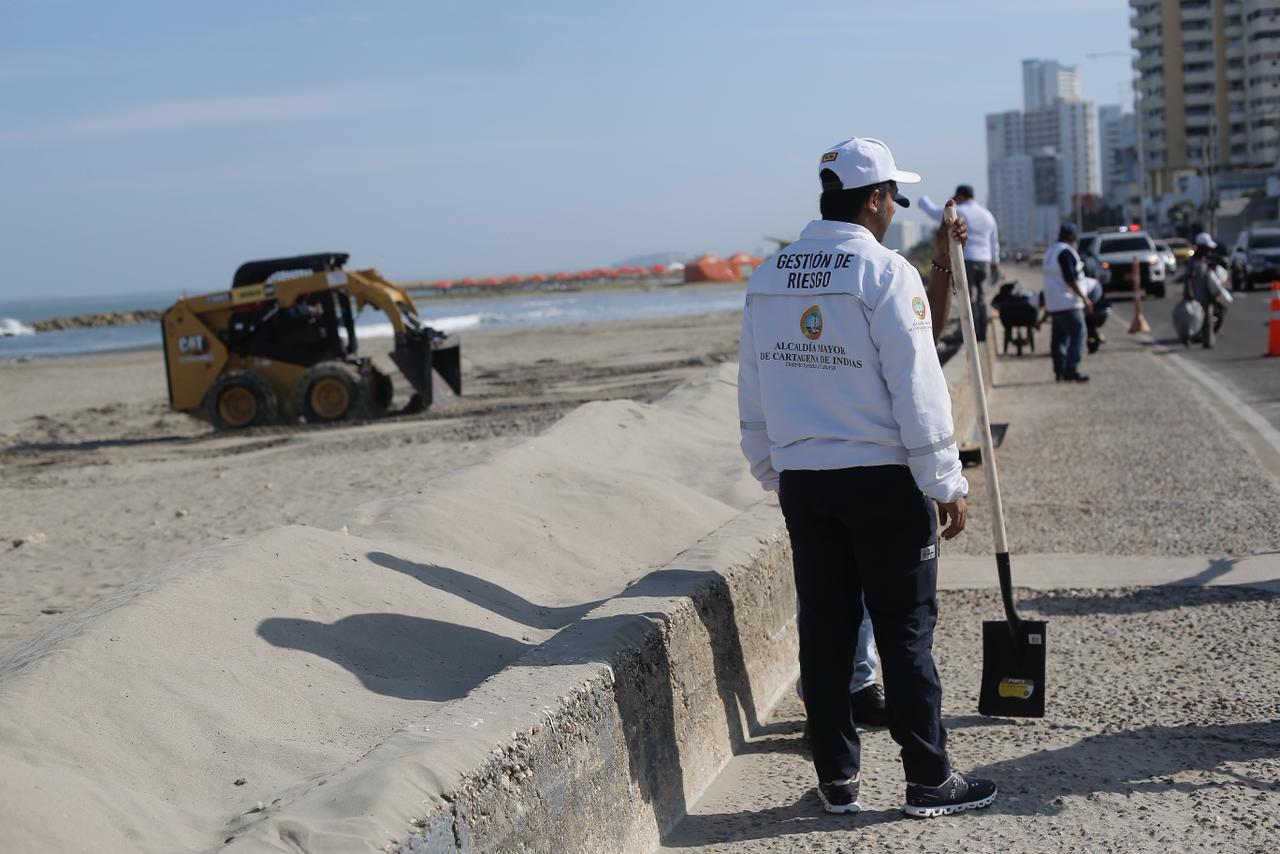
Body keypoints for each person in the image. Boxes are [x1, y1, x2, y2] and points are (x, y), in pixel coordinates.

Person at [738, 136, 997, 818]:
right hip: (883, 481)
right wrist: (945, 478)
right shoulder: (884, 273)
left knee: (824, 633)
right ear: (876, 199)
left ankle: (837, 782)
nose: (891, 210)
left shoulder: (769, 276)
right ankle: (929, 780)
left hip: (805, 481)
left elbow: (754, 387)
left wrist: (772, 467)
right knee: (904, 632)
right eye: (892, 199)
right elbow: (918, 387)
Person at [920, 185, 1000, 342]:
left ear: (960, 196)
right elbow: (994, 241)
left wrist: (922, 201)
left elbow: (935, 212)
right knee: (981, 298)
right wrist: (995, 262)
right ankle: (982, 332)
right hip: (984, 260)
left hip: (967, 259)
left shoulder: (960, 211)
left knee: (967, 297)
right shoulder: (987, 215)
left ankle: (971, 334)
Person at [1041, 223, 1093, 382]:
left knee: (1059, 338)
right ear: (1071, 236)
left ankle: (1059, 370)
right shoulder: (1065, 252)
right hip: (1068, 302)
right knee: (1079, 333)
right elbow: (1070, 278)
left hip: (1053, 302)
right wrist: (1084, 298)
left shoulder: (1051, 251)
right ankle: (1071, 369)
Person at [1183, 231, 1231, 349]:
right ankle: (1194, 338)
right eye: (1207, 247)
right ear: (1201, 247)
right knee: (1197, 319)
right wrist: (1190, 293)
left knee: (1209, 318)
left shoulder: (1204, 259)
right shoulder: (1194, 261)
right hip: (1198, 296)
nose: (1209, 250)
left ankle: (1207, 341)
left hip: (1206, 295)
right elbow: (1188, 278)